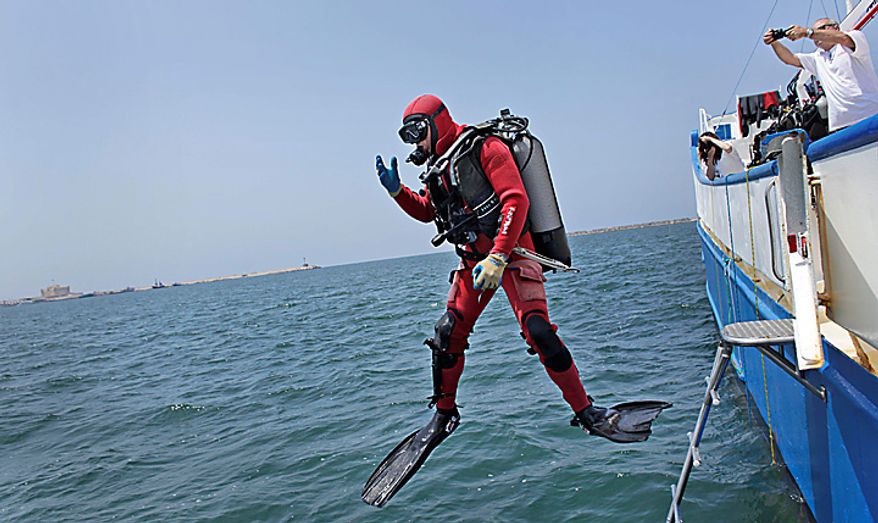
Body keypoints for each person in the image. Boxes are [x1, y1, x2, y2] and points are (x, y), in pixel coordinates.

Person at [361, 94, 671, 507]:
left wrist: (501, 254)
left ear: (437, 123)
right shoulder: (439, 168)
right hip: (475, 262)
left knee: (540, 331)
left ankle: (588, 412)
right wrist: (397, 191)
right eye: (408, 135)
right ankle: (443, 415)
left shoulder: (485, 147)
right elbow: (426, 211)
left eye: (416, 132)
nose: (413, 143)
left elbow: (516, 200)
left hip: (513, 254)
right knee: (447, 333)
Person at [763, 18, 878, 131]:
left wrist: (807, 32)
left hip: (871, 116)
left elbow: (843, 38)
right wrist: (774, 42)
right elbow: (790, 59)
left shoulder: (855, 38)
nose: (816, 36)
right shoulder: (818, 58)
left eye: (820, 29)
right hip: (841, 126)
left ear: (835, 27)